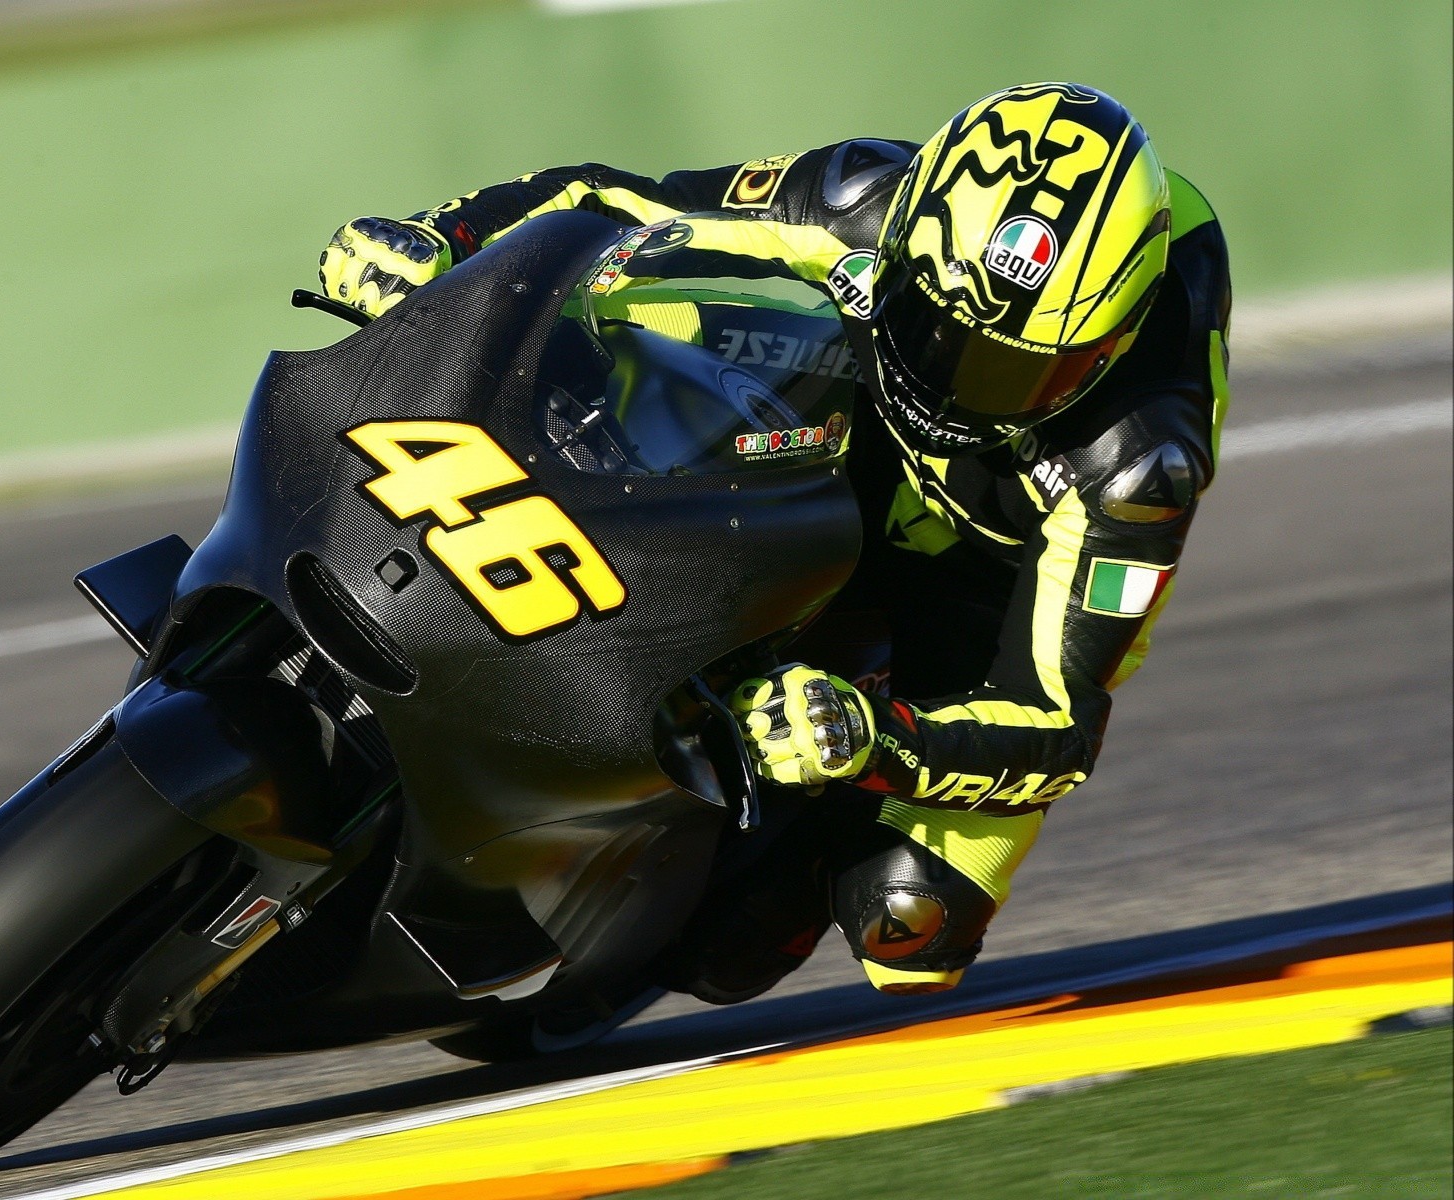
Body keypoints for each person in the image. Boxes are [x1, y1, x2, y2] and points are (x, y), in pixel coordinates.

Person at [318, 82, 1231, 999]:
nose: (953, 386)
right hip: (845, 419)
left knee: (902, 928)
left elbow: (1057, 730)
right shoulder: (861, 198)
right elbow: (614, 204)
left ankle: (776, 802)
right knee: (636, 323)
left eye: (1012, 372)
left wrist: (874, 739)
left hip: (987, 576)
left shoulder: (1137, 470)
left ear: (1107, 353)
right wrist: (444, 239)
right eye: (931, 330)